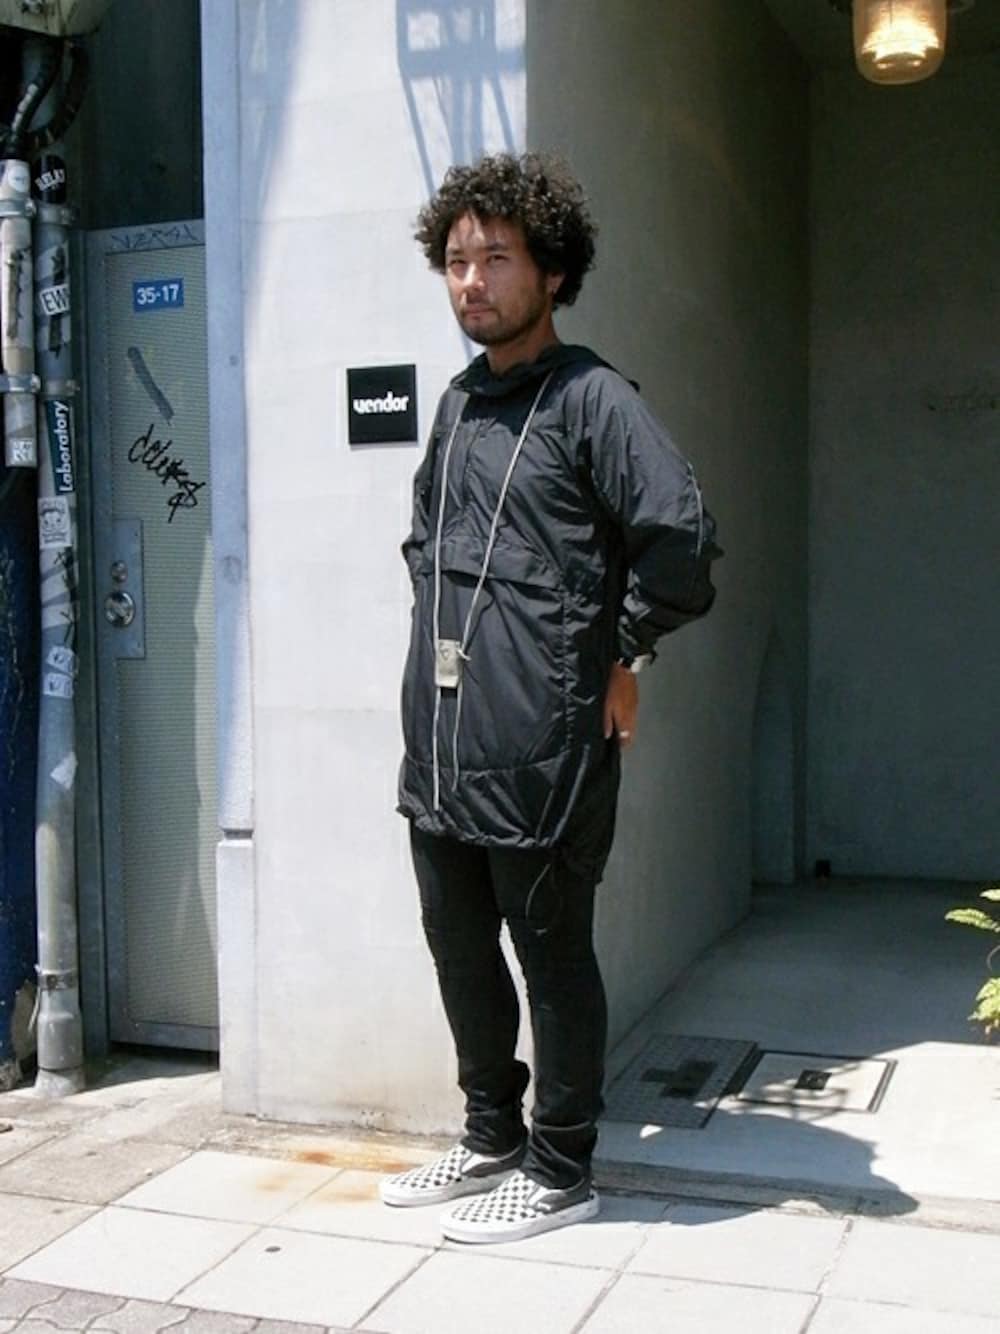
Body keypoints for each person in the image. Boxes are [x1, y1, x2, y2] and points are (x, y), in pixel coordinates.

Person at [380, 151, 719, 1244]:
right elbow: (427, 544)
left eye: (496, 258)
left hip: (548, 745)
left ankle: (563, 1166)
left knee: (551, 952)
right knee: (458, 945)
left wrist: (623, 654)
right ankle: (490, 1134)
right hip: (443, 740)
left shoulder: (592, 400)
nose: (472, 280)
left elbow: (682, 544)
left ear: (553, 271)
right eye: (456, 260)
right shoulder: (457, 405)